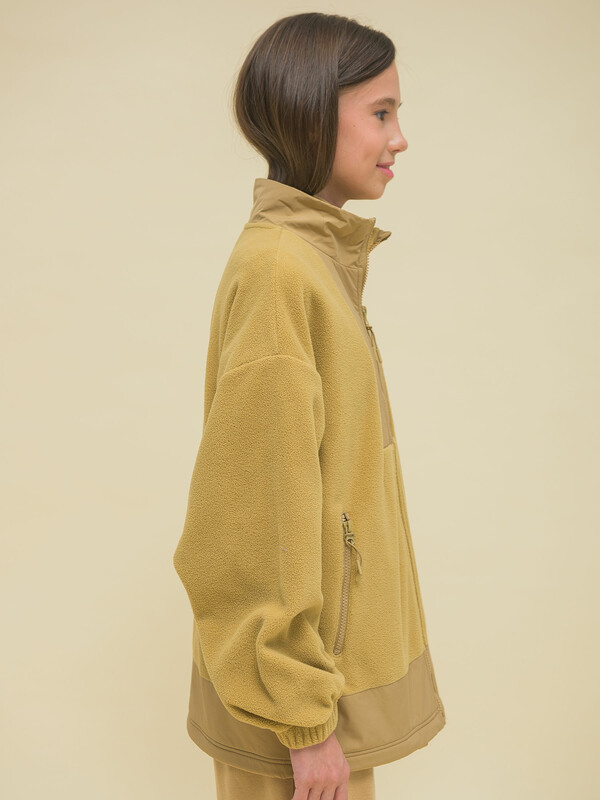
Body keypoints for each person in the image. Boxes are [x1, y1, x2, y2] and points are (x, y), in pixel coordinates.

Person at [173, 12, 446, 800]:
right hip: (300, 715)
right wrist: (301, 719)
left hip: (319, 694)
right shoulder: (281, 273)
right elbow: (251, 515)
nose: (399, 139)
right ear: (310, 111)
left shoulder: (313, 262)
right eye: (381, 113)